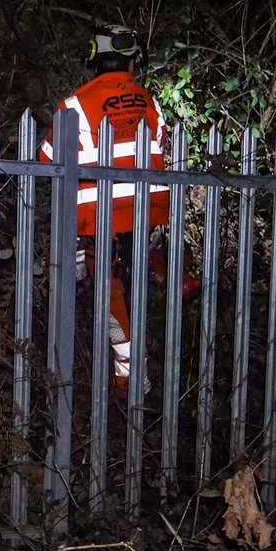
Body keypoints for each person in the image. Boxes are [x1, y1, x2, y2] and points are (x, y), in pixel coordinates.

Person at [39, 23, 200, 391]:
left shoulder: (74, 105)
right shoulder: (150, 101)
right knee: (145, 246)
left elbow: (47, 161)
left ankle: (129, 369)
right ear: (133, 62)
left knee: (107, 289)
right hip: (148, 211)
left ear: (94, 61)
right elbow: (158, 144)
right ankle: (171, 270)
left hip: (99, 219)